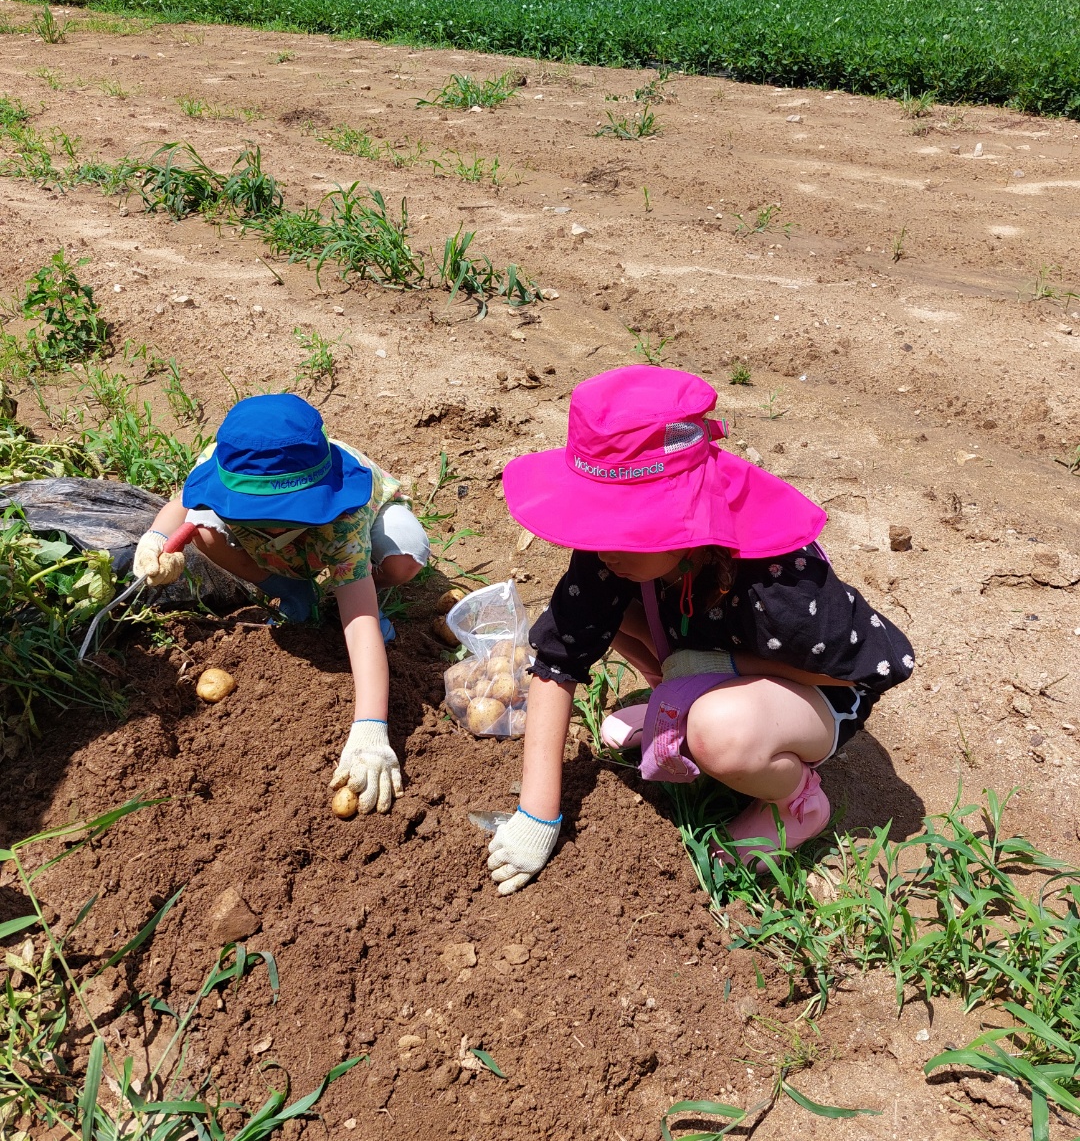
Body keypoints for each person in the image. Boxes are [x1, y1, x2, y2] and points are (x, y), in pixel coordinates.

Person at [485, 365, 914, 895]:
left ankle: (794, 802)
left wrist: (726, 668)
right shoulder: (611, 554)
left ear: (682, 512)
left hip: (818, 688)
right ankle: (683, 702)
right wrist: (538, 813)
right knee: (595, 607)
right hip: (707, 640)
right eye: (596, 526)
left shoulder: (780, 587)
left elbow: (873, 669)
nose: (604, 549)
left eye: (625, 530)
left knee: (723, 733)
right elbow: (560, 658)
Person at [133, 393, 429, 817]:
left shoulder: (342, 515)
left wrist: (369, 729)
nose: (271, 521)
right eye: (260, 513)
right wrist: (157, 539)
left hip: (356, 523)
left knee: (404, 558)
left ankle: (341, 588)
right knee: (202, 529)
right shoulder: (227, 459)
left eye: (281, 513)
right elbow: (182, 504)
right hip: (288, 545)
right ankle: (291, 591)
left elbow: (361, 624)